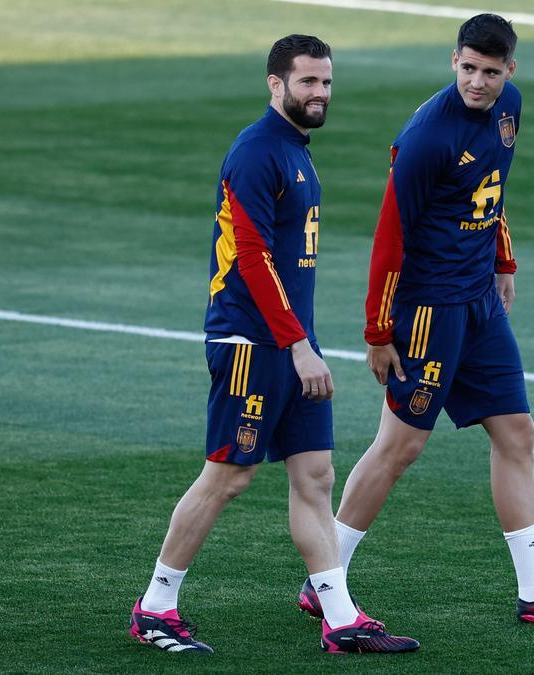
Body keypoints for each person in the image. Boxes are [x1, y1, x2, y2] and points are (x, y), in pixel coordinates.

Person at [296, 14, 534, 625]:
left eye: (490, 72)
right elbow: (389, 237)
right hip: (427, 311)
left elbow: (492, 189)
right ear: (453, 61)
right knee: (400, 447)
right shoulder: (427, 137)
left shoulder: (508, 108)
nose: (477, 81)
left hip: (479, 304)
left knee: (517, 432)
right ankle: (325, 577)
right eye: (468, 68)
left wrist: (503, 258)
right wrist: (377, 331)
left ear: (510, 72)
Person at [129, 34, 418, 655]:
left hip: (291, 345)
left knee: (315, 475)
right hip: (251, 343)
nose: (320, 93)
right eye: (308, 82)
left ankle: (339, 619)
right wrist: (297, 344)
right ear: (275, 83)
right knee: (228, 477)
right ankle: (156, 607)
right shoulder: (258, 151)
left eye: (327, 82)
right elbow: (255, 260)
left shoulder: (296, 150)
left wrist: (302, 343)